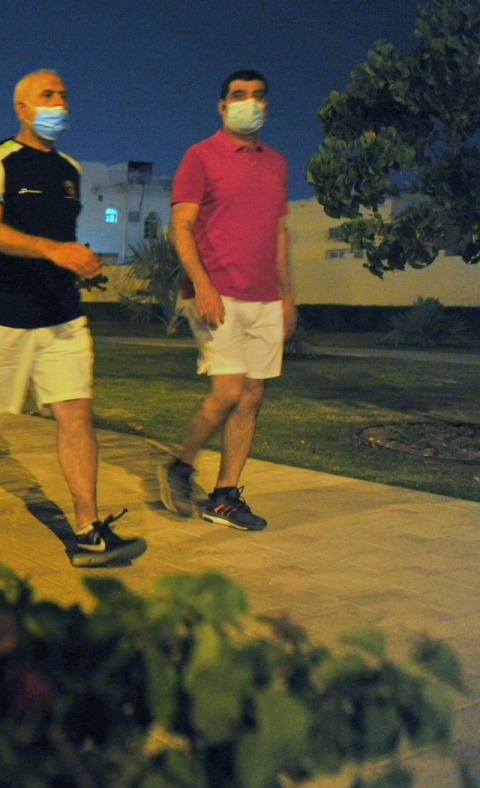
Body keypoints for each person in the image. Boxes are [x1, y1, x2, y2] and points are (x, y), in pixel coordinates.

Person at [0, 69, 146, 567]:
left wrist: (80, 258)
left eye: (63, 94)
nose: (59, 102)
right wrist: (56, 251)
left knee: (76, 414)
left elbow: (61, 241)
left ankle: (88, 531)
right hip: (2, 309)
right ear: (23, 108)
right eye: (47, 95)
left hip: (61, 314)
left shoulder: (71, 170)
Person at [159, 69, 298, 531]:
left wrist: (287, 297)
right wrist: (201, 285)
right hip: (216, 291)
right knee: (228, 391)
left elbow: (278, 234)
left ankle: (224, 497)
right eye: (239, 96)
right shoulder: (200, 156)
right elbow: (180, 226)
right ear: (222, 107)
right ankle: (180, 466)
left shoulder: (276, 163)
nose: (249, 103)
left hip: (264, 296)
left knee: (252, 395)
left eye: (259, 95)